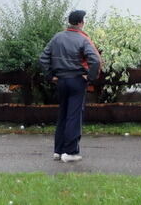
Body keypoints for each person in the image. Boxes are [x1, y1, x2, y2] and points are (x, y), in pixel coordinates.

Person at [39, 10, 101, 163]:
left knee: (63, 115)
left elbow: (43, 58)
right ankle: (70, 151)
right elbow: (95, 60)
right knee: (74, 116)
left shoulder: (57, 37)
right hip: (76, 80)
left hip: (60, 80)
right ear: (81, 22)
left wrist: (50, 76)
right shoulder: (83, 39)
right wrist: (90, 77)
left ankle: (58, 151)